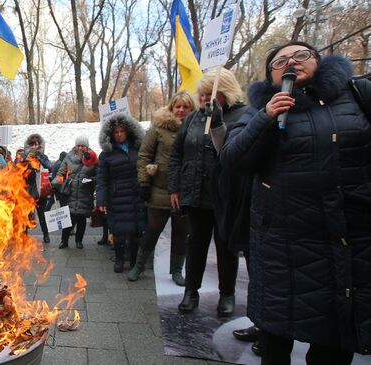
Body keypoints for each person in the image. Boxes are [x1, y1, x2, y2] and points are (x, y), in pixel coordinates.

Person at [220, 41, 371, 364]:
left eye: (301, 55)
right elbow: (234, 160)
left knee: (334, 338)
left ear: (319, 61)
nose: (291, 62)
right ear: (272, 76)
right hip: (282, 245)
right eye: (280, 60)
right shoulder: (260, 111)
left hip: (346, 240)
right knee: (276, 338)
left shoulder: (357, 97)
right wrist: (266, 118)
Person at [168, 68, 247, 317]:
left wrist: (219, 123)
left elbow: (238, 153)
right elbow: (177, 155)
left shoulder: (243, 115)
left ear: (224, 91)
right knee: (196, 244)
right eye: (201, 94)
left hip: (226, 195)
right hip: (195, 193)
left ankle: (227, 294)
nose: (203, 99)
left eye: (208, 94)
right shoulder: (193, 119)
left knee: (226, 247)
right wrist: (176, 187)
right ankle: (191, 292)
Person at [130, 91, 197, 284]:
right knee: (152, 230)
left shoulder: (198, 127)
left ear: (191, 108)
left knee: (181, 232)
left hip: (186, 191)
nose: (181, 110)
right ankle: (139, 266)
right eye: (178, 106)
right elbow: (144, 156)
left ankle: (176, 270)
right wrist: (144, 182)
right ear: (171, 107)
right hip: (160, 189)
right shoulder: (158, 128)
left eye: (185, 106)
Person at [96, 113, 146, 273]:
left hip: (136, 195)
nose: (119, 135)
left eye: (121, 131)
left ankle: (133, 261)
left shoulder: (138, 149)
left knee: (137, 231)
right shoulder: (106, 154)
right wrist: (101, 200)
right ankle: (119, 260)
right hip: (117, 197)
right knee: (118, 232)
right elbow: (102, 179)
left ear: (128, 131)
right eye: (115, 132)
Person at [52, 136, 97, 249]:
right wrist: (55, 183)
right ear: (75, 146)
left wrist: (92, 181)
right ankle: (64, 241)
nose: (80, 148)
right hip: (70, 192)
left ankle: (79, 241)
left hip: (85, 193)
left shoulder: (93, 158)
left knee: (82, 219)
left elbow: (98, 174)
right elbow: (61, 171)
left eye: (83, 146)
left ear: (87, 147)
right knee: (68, 219)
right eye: (78, 146)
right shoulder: (69, 157)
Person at [22, 133, 52, 244]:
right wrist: (27, 160)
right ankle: (24, 235)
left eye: (37, 144)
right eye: (33, 144)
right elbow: (18, 169)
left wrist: (39, 157)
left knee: (42, 214)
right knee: (25, 215)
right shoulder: (25, 156)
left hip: (40, 191)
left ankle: (46, 235)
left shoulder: (43, 156)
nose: (35, 146)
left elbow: (50, 166)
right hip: (27, 192)